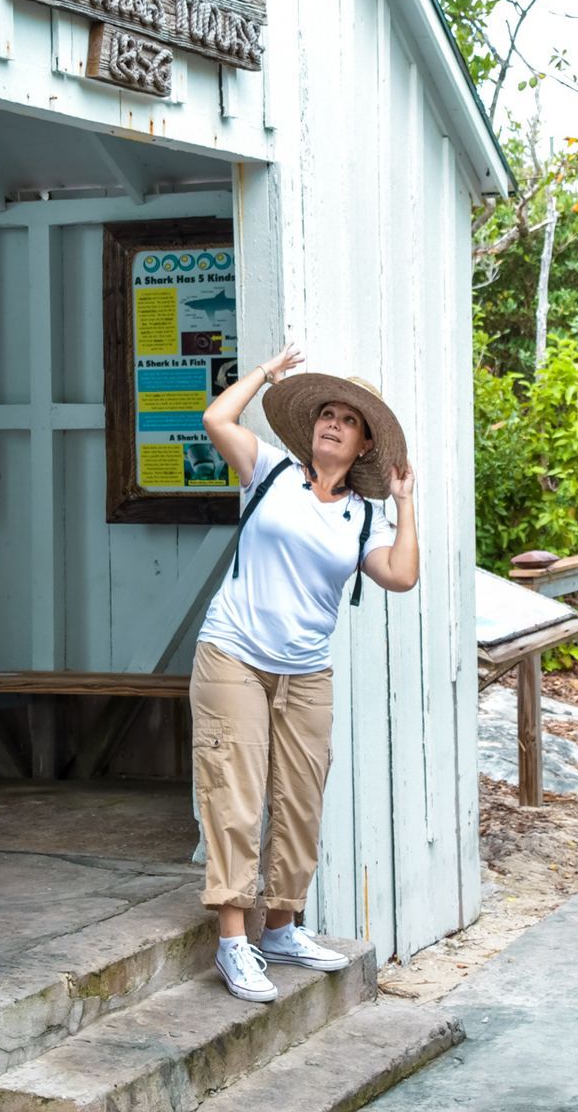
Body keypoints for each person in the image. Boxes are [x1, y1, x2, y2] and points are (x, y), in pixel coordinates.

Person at [190, 343, 420, 1003]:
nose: (332, 423)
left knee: (300, 803)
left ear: (363, 445)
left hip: (304, 673)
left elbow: (402, 576)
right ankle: (234, 941)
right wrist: (266, 374)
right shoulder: (270, 470)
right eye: (327, 413)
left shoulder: (365, 517)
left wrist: (406, 503)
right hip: (233, 653)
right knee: (234, 796)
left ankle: (282, 928)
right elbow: (216, 420)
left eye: (348, 420)